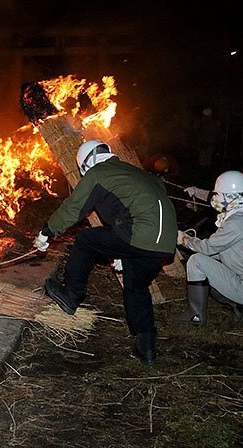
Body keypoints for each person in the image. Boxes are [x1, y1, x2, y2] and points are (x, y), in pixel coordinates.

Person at [35, 139, 177, 366]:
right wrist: (124, 251)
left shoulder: (99, 173)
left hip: (140, 233)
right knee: (136, 287)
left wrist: (47, 231)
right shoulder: (133, 173)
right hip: (164, 244)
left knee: (84, 240)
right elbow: (133, 209)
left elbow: (75, 208)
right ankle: (146, 347)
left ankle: (71, 295)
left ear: (85, 165)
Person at [173, 170, 243, 324]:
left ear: (231, 197)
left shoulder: (236, 221)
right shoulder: (240, 215)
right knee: (207, 263)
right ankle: (237, 304)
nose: (215, 199)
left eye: (219, 195)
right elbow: (228, 251)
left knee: (197, 261)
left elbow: (208, 247)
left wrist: (184, 239)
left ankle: (195, 315)